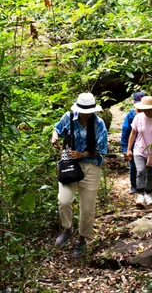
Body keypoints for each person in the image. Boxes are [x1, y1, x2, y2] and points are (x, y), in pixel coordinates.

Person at [50, 93, 108, 258]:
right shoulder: (68, 117)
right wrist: (54, 137)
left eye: (88, 110)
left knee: (87, 207)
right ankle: (68, 228)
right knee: (64, 200)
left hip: (91, 166)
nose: (85, 113)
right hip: (69, 165)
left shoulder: (99, 124)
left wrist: (82, 154)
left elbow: (102, 149)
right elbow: (57, 129)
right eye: (83, 110)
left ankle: (82, 240)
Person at [121, 92, 145, 194]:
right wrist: (126, 149)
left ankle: (145, 187)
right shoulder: (130, 115)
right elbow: (125, 132)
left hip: (146, 146)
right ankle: (134, 185)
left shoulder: (150, 115)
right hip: (134, 146)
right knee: (133, 167)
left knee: (146, 167)